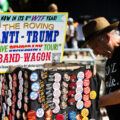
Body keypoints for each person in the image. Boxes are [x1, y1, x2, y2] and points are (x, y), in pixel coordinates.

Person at [82, 17, 120, 120]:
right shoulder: (110, 60)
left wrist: (95, 102)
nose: (95, 53)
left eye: (95, 47)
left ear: (107, 38)